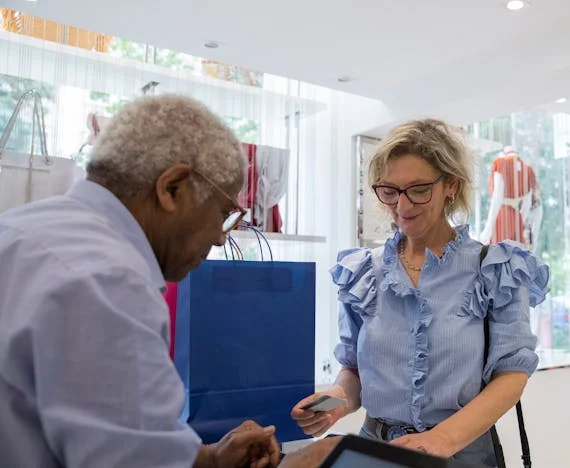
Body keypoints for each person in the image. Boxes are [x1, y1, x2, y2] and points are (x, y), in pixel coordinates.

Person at [0, 94, 333, 468]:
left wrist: (208, 460)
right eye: (222, 213)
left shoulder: (19, 230)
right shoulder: (110, 282)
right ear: (172, 188)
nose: (219, 237)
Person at [291, 119, 550, 467]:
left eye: (418, 190)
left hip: (460, 453)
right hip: (375, 451)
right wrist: (335, 403)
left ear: (451, 185)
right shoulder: (364, 273)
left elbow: (512, 376)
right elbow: (353, 370)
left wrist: (441, 439)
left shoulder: (494, 268)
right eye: (390, 191)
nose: (402, 206)